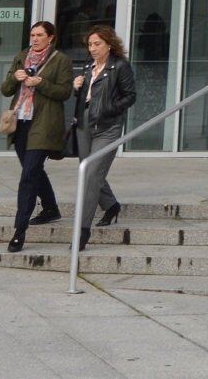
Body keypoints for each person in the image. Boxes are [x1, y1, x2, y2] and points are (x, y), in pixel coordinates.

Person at [0, 21, 70, 253]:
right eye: (32, 34)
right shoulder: (21, 56)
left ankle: (19, 231)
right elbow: (6, 90)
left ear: (51, 37)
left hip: (44, 123)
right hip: (20, 122)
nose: (35, 38)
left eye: (40, 35)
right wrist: (15, 78)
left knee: (28, 175)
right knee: (33, 170)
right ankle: (50, 207)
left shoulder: (61, 60)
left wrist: (41, 83)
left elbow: (64, 92)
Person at [72, 24, 136, 249]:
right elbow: (88, 96)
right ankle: (110, 205)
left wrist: (108, 108)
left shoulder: (120, 66)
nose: (92, 48)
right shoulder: (88, 66)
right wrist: (77, 87)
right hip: (84, 125)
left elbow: (130, 96)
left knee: (90, 176)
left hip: (107, 127)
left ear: (109, 45)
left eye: (97, 44)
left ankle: (82, 231)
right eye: (90, 44)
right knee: (89, 173)